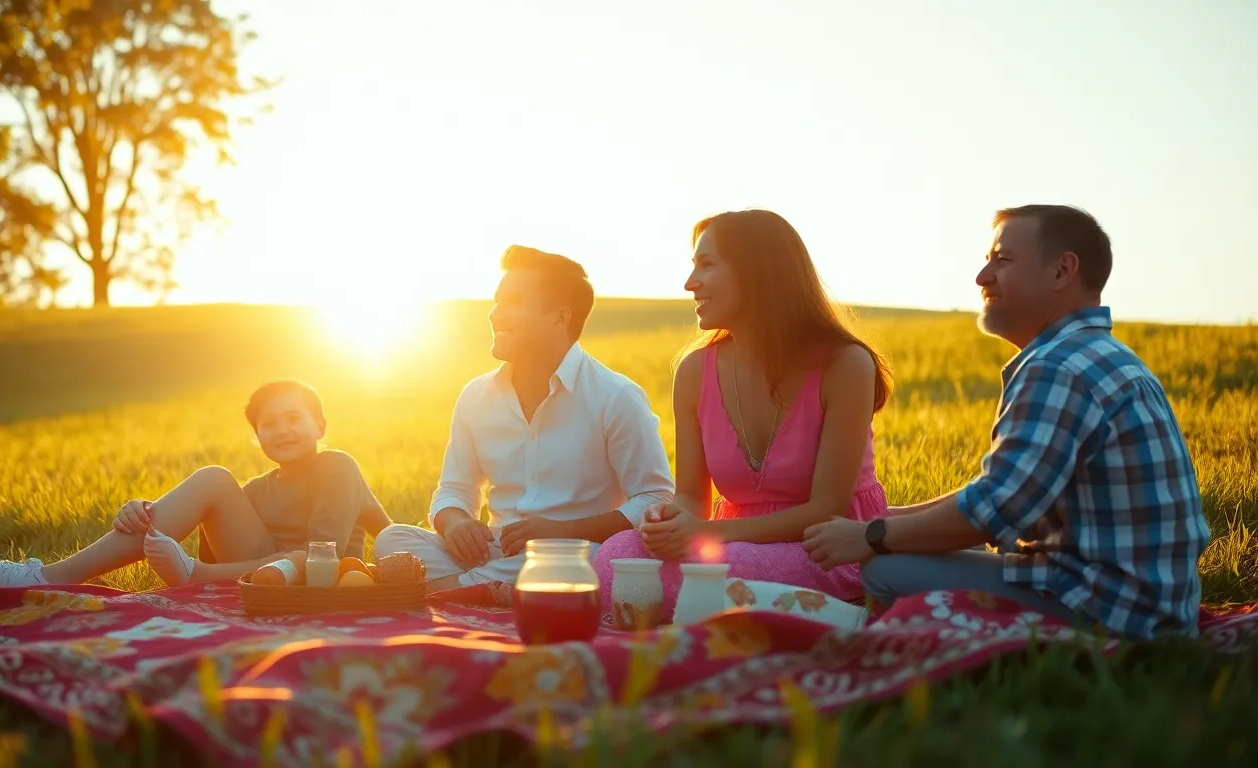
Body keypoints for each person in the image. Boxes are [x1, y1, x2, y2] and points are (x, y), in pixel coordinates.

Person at [803, 205, 1211, 640]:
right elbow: (1008, 493)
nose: (982, 276)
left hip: (1111, 615)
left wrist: (872, 535)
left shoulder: (1058, 367)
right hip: (1148, 602)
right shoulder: (1096, 354)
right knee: (925, 540)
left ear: (1061, 271)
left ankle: (903, 656)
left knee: (887, 565)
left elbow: (993, 510)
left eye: (1003, 259)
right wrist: (887, 518)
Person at [592, 209, 894, 620]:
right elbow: (691, 500)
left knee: (728, 571)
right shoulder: (696, 371)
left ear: (757, 272)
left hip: (826, 545)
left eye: (706, 265)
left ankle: (695, 609)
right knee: (616, 558)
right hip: (726, 544)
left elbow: (827, 510)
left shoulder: (845, 364)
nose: (689, 283)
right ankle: (707, 608)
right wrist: (665, 520)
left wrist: (707, 532)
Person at [371, 245, 675, 592]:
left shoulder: (616, 397)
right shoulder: (476, 395)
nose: (495, 314)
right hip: (495, 552)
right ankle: (482, 590)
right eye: (496, 302)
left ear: (559, 317)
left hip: (572, 551)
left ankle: (458, 591)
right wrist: (455, 524)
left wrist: (562, 530)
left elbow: (654, 498)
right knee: (391, 539)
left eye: (513, 302)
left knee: (590, 561)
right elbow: (455, 490)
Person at [0, 380, 392, 589]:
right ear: (257, 438)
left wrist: (200, 573)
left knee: (215, 480)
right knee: (215, 481)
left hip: (314, 585)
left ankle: (45, 577)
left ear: (320, 424)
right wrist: (142, 512)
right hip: (258, 578)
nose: (282, 430)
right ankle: (46, 577)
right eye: (269, 424)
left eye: (294, 418)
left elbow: (329, 552)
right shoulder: (259, 489)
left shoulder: (337, 466)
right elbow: (212, 528)